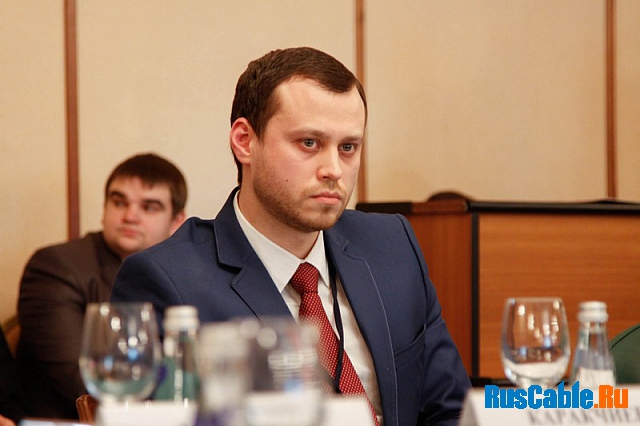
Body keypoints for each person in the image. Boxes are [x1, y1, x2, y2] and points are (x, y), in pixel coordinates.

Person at [111, 47, 471, 425]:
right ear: (245, 141)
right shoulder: (167, 281)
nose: (333, 170)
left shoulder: (391, 246)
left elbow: (454, 410)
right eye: (309, 143)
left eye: (348, 147)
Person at [17, 153, 187, 419]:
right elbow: (83, 381)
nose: (130, 216)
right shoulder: (56, 267)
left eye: (149, 207)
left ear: (176, 223)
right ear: (104, 209)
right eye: (119, 203)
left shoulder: (184, 275)